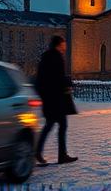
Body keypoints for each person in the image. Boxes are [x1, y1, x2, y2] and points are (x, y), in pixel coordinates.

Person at [34, 35, 78, 165]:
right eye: (63, 45)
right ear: (58, 45)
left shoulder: (46, 57)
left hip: (49, 99)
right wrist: (68, 85)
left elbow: (43, 80)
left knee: (52, 125)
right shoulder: (56, 57)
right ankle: (59, 155)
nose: (64, 47)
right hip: (56, 99)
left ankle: (42, 152)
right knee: (59, 125)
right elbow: (58, 77)